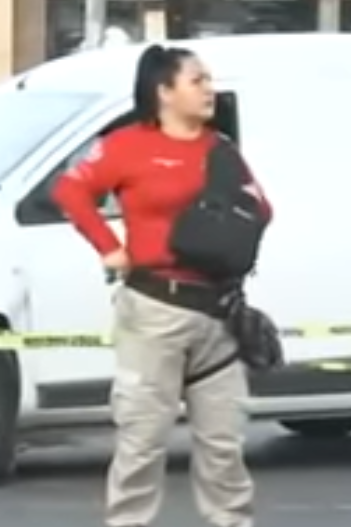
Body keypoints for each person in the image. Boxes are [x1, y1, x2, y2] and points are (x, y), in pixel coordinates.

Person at [51, 45, 272, 527]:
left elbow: (261, 208)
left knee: (224, 445)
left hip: (219, 312)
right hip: (154, 311)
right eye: (198, 80)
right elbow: (70, 190)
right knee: (142, 441)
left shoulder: (221, 150)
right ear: (164, 91)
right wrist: (109, 246)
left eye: (210, 79)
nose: (210, 88)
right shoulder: (126, 145)